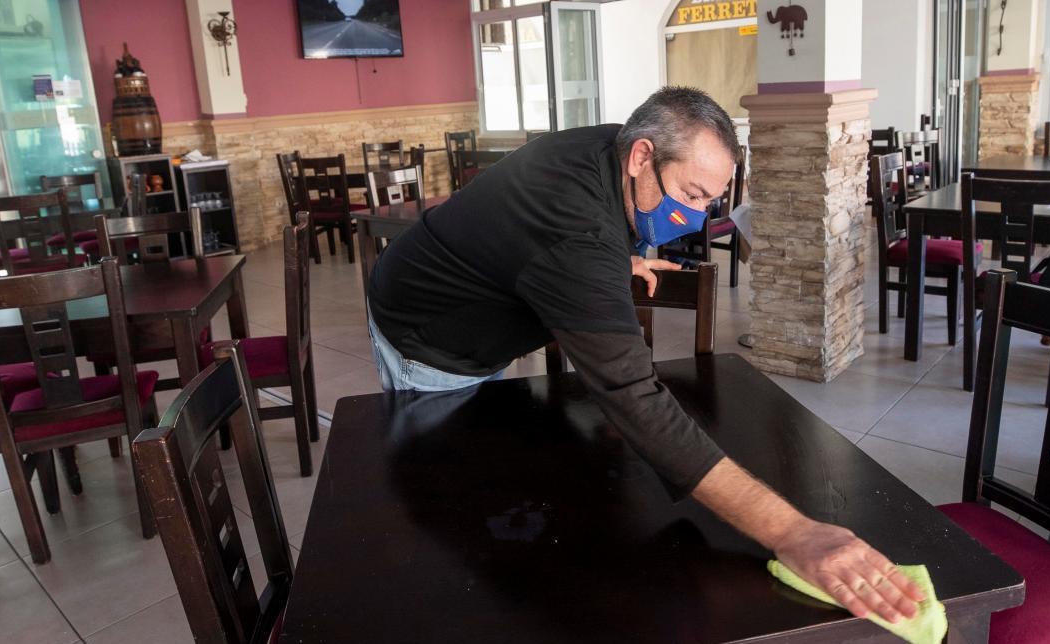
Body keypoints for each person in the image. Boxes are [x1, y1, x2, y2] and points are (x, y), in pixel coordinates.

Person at [367, 87, 924, 623]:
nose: (698, 218)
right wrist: (794, 532)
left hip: (482, 296)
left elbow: (568, 239)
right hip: (431, 338)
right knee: (457, 499)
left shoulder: (615, 152)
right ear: (642, 156)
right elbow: (634, 396)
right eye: (691, 195)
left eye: (711, 200)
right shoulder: (575, 232)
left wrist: (617, 262)